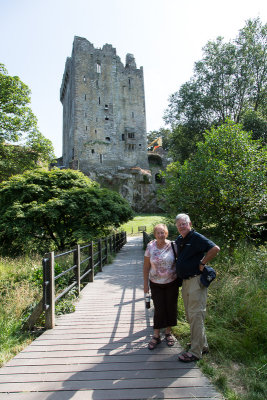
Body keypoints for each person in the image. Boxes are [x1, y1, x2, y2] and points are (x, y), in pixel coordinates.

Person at [175, 213, 220, 362]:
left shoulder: (196, 237)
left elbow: (215, 248)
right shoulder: (180, 240)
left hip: (196, 281)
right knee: (191, 315)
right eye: (179, 224)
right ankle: (202, 345)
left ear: (190, 224)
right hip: (186, 282)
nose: (182, 226)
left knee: (196, 314)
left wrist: (202, 263)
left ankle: (195, 352)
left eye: (184, 223)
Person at [143, 223, 179, 350]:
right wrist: (145, 284)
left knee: (171, 307)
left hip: (172, 282)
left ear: (166, 233)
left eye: (162, 232)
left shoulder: (173, 245)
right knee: (158, 308)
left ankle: (168, 333)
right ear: (154, 234)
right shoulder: (150, 246)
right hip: (155, 283)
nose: (160, 235)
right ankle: (156, 335)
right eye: (158, 232)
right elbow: (146, 266)